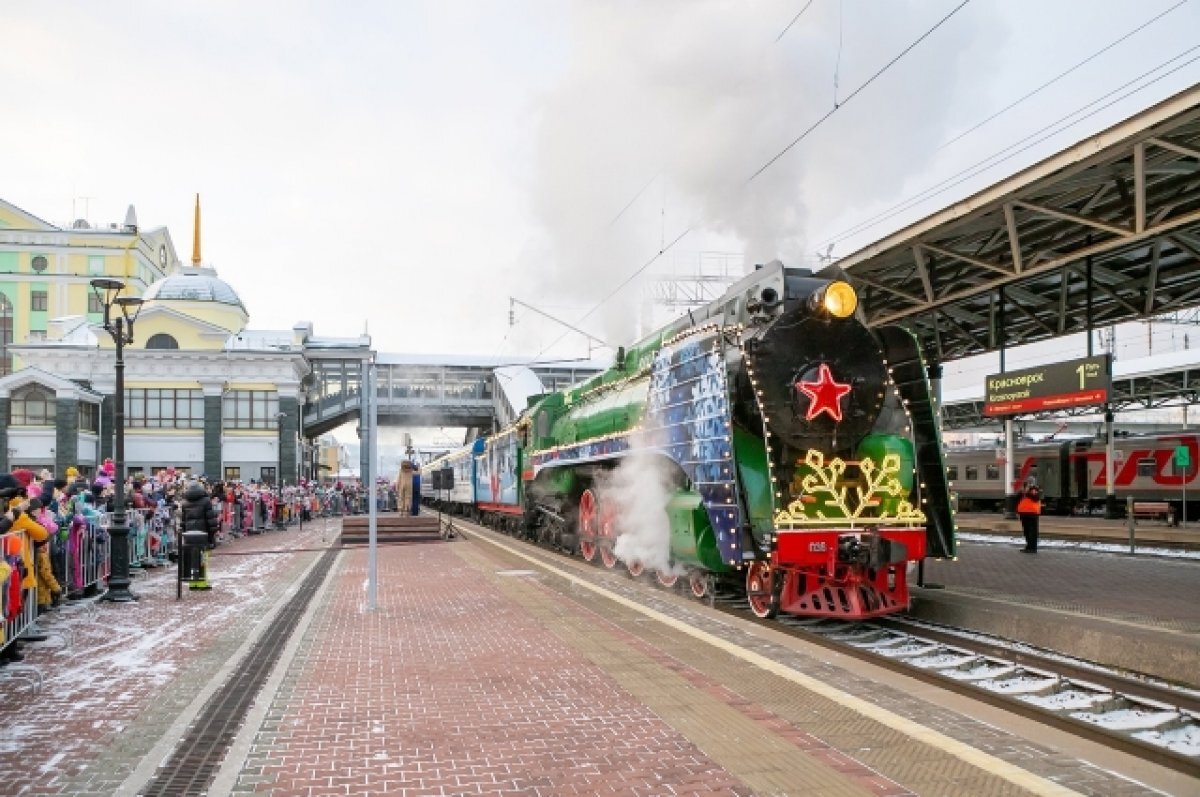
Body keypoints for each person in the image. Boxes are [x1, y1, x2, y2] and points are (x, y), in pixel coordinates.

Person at [1016, 482, 1042, 553]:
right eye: (1025, 487)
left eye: (1028, 487)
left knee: (1032, 532)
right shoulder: (1023, 494)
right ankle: (1029, 546)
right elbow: (1018, 500)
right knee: (1026, 532)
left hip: (1032, 514)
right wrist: (1021, 493)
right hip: (1024, 514)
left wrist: (1027, 492)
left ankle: (1033, 548)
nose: (1026, 488)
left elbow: (1035, 498)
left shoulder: (1033, 492)